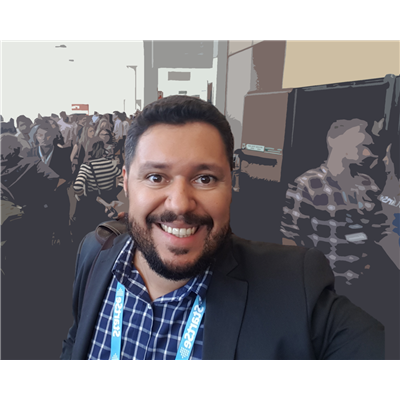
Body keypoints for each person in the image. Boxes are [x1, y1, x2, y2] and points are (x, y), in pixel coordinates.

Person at [61, 96, 384, 360]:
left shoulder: (293, 288)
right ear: (126, 183)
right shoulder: (95, 252)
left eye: (205, 179)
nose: (180, 205)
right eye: (156, 177)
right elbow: (76, 341)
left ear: (231, 184)